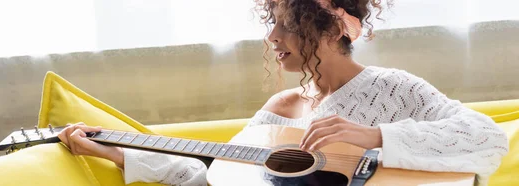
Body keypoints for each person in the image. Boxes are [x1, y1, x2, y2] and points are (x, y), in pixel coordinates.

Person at [57, 0, 509, 185]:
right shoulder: (281, 108)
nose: (272, 37)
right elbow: (215, 174)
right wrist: (116, 152)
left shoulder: (391, 87)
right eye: (269, 22)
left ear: (331, 27)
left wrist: (373, 137)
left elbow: (488, 139)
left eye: (285, 23)